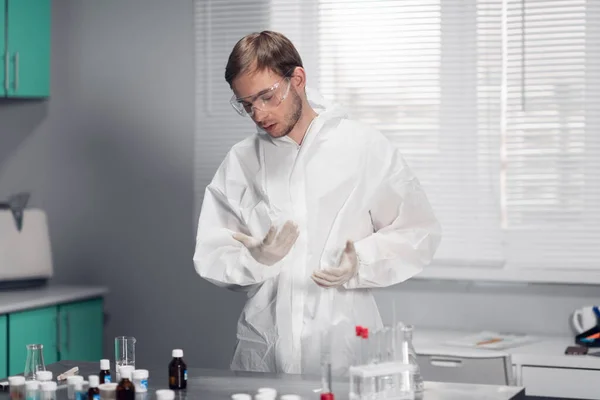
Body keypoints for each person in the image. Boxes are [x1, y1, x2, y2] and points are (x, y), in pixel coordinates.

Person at [193, 31, 441, 375]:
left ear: (297, 78)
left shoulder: (363, 147)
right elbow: (211, 252)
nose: (258, 113)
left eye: (266, 96)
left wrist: (361, 262)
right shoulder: (242, 161)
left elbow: (417, 231)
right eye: (247, 104)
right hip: (266, 345)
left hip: (344, 339)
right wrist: (255, 259)